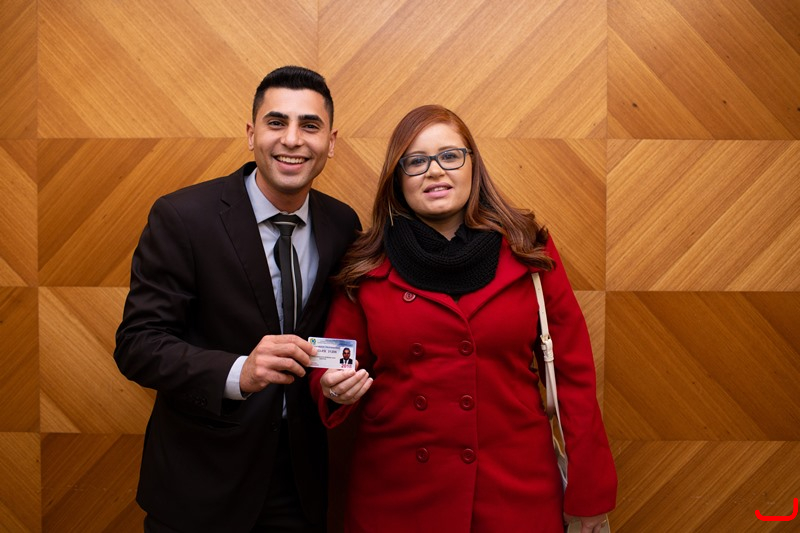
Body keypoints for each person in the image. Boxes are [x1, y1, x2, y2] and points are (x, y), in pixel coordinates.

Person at [310, 105, 617, 532]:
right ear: (397, 178)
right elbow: (332, 357)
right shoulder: (365, 263)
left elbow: (574, 376)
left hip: (513, 492)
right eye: (416, 161)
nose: (434, 171)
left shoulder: (529, 251)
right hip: (399, 496)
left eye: (450, 156)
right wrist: (329, 384)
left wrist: (588, 491)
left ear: (473, 164)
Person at [114, 66, 360, 533]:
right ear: (251, 134)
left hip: (301, 486)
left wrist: (336, 382)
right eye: (276, 122)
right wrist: (238, 372)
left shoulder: (342, 224)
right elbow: (138, 345)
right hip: (201, 484)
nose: (292, 139)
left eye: (309, 125)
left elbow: (339, 331)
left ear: (330, 142)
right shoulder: (183, 217)